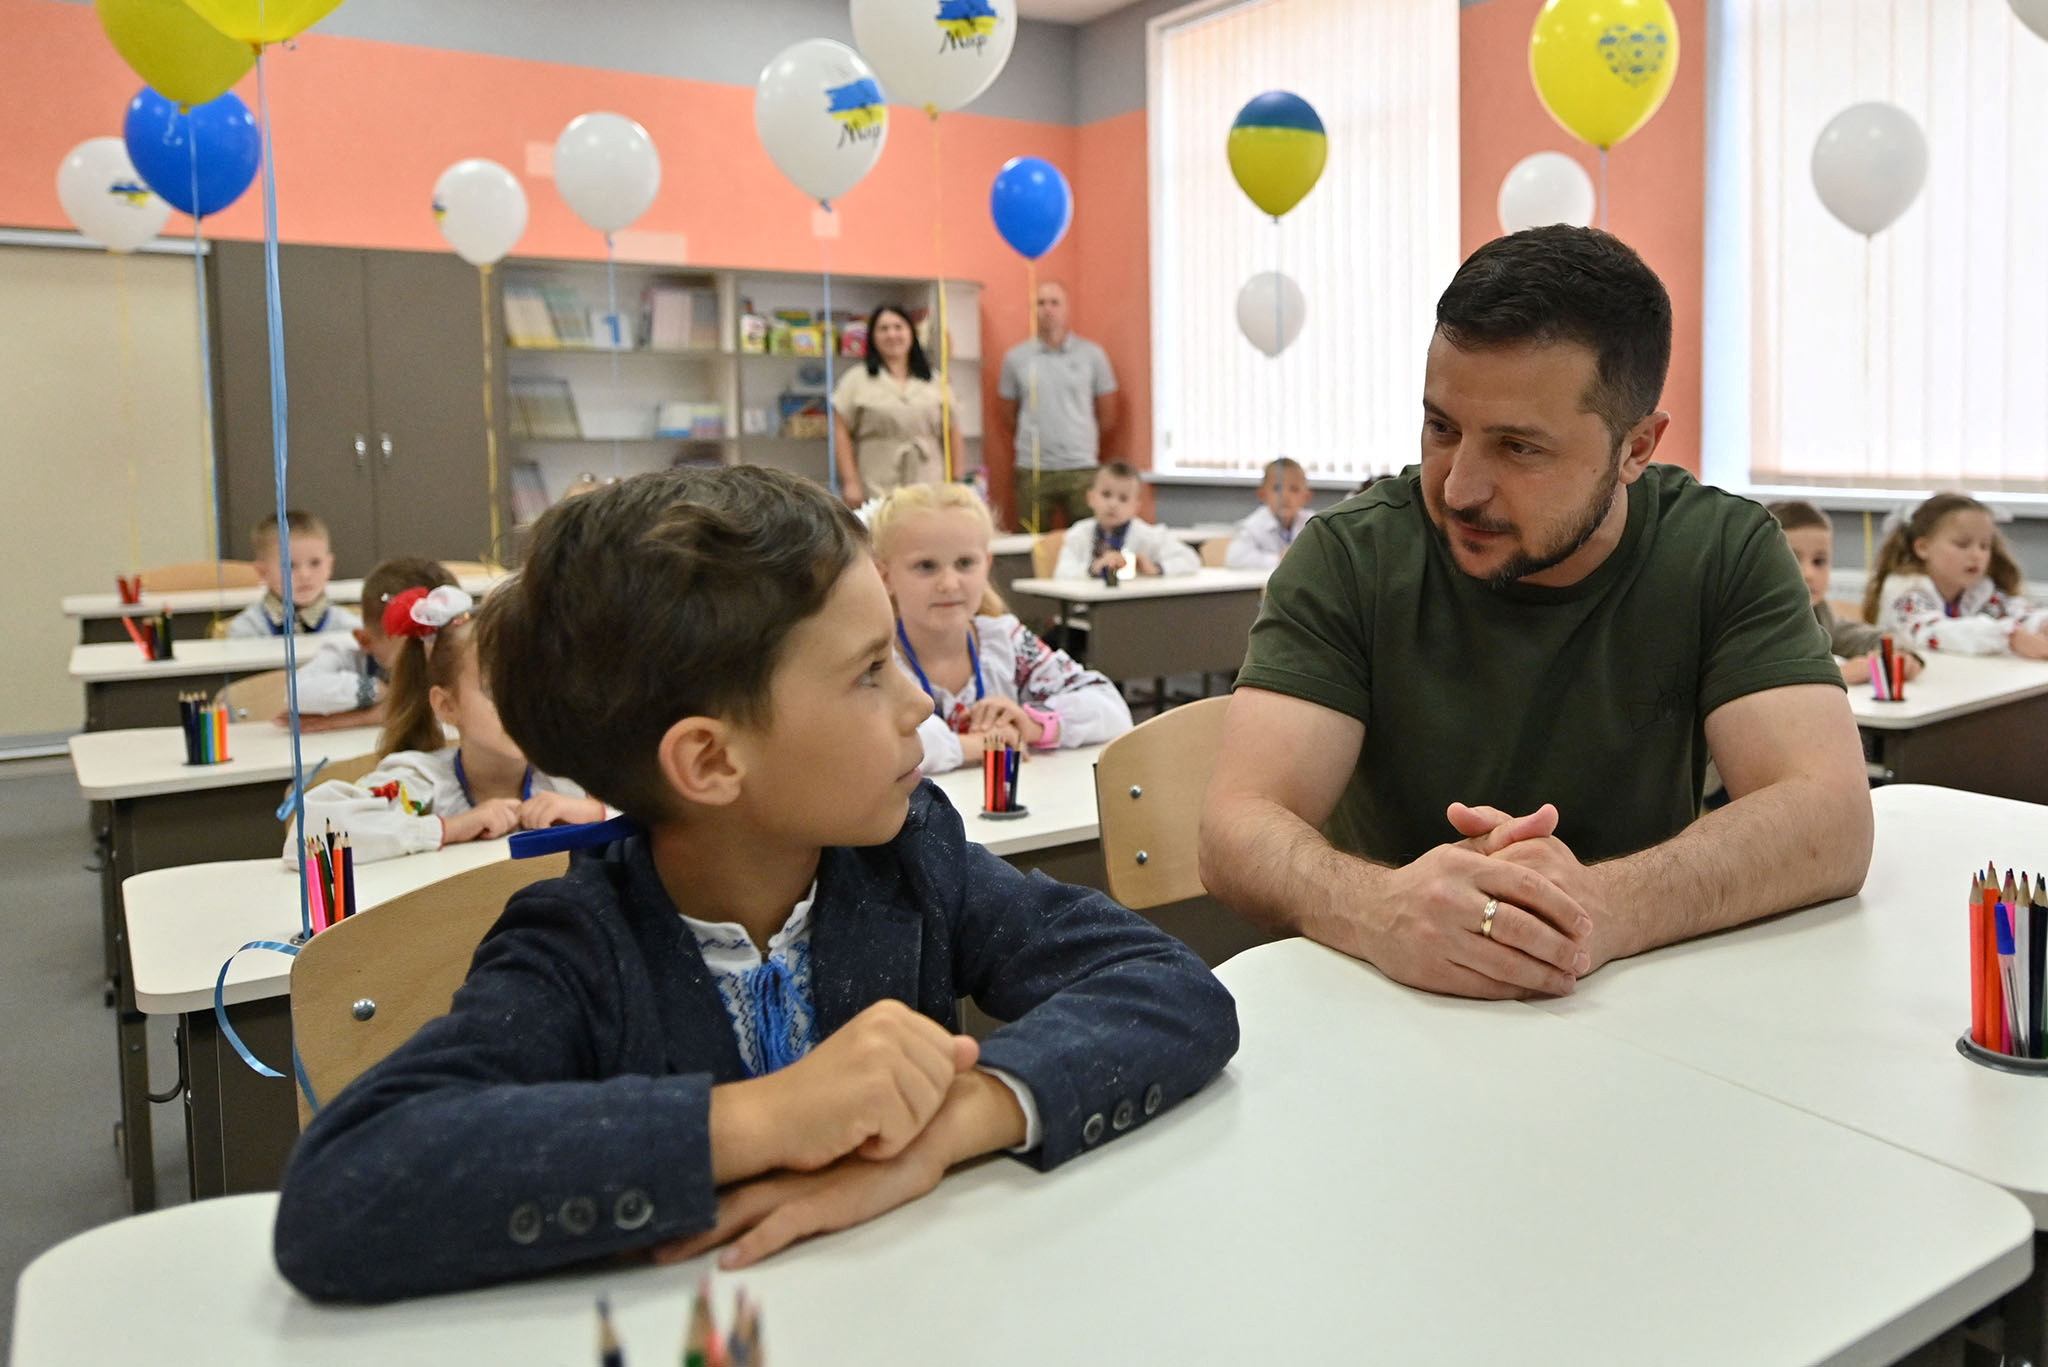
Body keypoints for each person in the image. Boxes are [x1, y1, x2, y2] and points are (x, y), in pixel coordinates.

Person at [272, 466, 1238, 1302]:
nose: (917, 704)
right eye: (869, 673)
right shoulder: (577, 939)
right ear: (709, 760)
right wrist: (764, 1119)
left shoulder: (911, 860)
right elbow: (349, 1187)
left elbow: (1170, 985)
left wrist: (955, 1120)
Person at [1200, 226, 1872, 1001]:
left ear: (1637, 447)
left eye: (1519, 448)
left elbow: (1832, 818)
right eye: (1442, 428)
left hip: (1647, 1010)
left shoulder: (1720, 549)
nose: (1458, 487)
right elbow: (1235, 828)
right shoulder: (1352, 557)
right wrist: (1379, 906)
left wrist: (1598, 905)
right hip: (1387, 1014)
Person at [283, 585, 602, 866]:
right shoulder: (422, 783)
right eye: (495, 691)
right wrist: (448, 828)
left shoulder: (564, 777)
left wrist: (595, 816)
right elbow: (307, 833)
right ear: (447, 706)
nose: (520, 707)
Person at [872, 482, 1132, 773]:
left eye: (965, 563)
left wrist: (1033, 725)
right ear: (885, 576)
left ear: (986, 564)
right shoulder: (876, 660)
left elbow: (1112, 708)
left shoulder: (1008, 642)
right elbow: (872, 743)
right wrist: (979, 744)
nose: (949, 584)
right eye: (925, 566)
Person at [1863, 492, 2048, 658]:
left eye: (1985, 546)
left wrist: (2041, 623)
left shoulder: (1977, 590)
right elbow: (1932, 632)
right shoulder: (1905, 592)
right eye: (1962, 544)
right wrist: (2008, 635)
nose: (1977, 555)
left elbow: (2017, 611)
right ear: (1923, 547)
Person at [999, 281, 1119, 532]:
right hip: (1033, 469)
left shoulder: (1093, 355)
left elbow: (1108, 414)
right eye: (1041, 303)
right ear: (1033, 310)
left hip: (1081, 467)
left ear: (1066, 308)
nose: (1048, 309)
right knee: (1030, 545)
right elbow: (1008, 413)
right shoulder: (1016, 358)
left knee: (1087, 541)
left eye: (1055, 303)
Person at [288, 556, 456, 732]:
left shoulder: (466, 658)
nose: (433, 653)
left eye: (445, 641)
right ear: (365, 641)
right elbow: (296, 692)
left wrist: (369, 715)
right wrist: (382, 692)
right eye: (414, 647)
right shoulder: (348, 655)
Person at [1767, 501, 1922, 686]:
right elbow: (1769, 677)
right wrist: (1837, 674)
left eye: (1819, 561)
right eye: (1792, 560)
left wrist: (1895, 651)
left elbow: (1850, 636)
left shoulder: (1816, 611)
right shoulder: (1756, 621)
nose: (1808, 574)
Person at [831, 304, 955, 509]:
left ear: (911, 333)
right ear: (873, 336)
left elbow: (952, 431)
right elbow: (840, 432)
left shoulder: (933, 379)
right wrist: (850, 482)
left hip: (928, 474)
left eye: (898, 327)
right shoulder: (855, 380)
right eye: (883, 328)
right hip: (876, 475)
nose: (892, 334)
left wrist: (956, 478)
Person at [1053, 462, 1199, 581]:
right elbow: (1061, 572)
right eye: (1106, 494)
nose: (1113, 504)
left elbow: (1190, 560)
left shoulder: (1149, 535)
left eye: (1123, 498)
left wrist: (1156, 568)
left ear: (1136, 507)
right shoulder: (1079, 533)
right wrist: (1094, 569)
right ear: (1091, 498)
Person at [226, 510, 360, 638]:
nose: (305, 575)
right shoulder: (246, 630)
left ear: (329, 565)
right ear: (263, 572)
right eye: (289, 566)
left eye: (315, 563)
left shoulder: (350, 628)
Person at [1226, 457, 1315, 570]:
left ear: (1306, 497)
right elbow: (1235, 560)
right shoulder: (1252, 526)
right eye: (1277, 488)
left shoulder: (1313, 523)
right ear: (1262, 495)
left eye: (1294, 489)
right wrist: (1280, 559)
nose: (1285, 497)